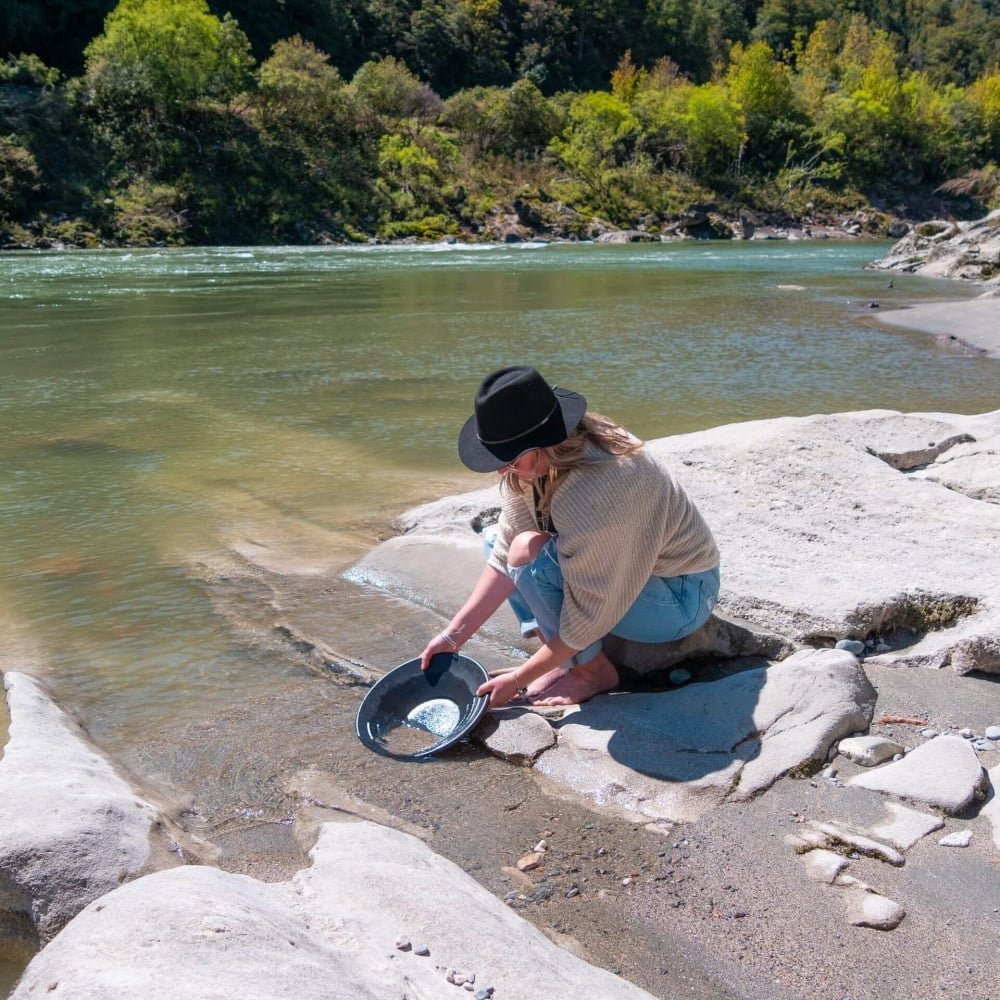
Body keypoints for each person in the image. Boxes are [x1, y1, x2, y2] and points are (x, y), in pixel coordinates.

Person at [419, 365, 720, 709]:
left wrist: (520, 679)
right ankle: (567, 661)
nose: (502, 469)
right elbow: (503, 552)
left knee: (532, 558)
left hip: (681, 597)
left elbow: (588, 617)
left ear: (543, 443)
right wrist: (451, 637)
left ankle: (592, 672)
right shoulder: (540, 462)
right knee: (500, 540)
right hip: (631, 578)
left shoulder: (602, 488)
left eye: (509, 459)